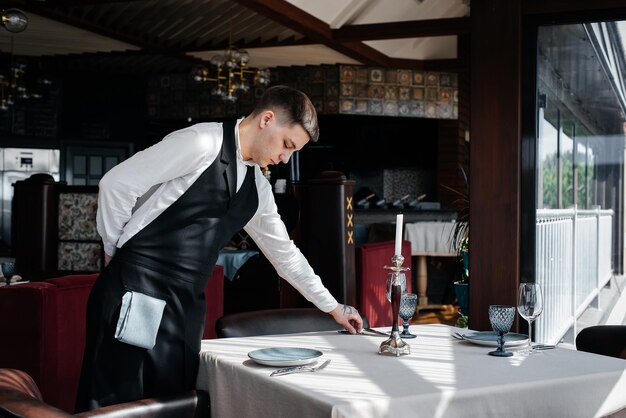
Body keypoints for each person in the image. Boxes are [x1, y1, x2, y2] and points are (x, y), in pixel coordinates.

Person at [75, 85, 363, 411]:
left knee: (174, 404)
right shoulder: (201, 141)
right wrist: (115, 252)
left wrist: (333, 307)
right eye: (287, 144)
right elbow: (117, 184)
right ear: (267, 119)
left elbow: (285, 255)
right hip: (138, 290)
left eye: (293, 152)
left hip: (186, 305)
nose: (285, 158)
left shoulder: (258, 187)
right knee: (118, 402)